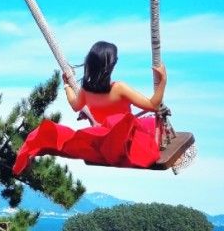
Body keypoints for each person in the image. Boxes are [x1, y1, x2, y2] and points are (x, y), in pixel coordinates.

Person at [13, 41, 167, 174]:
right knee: (151, 122)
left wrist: (66, 85)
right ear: (112, 65)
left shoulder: (86, 90)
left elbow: (75, 105)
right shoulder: (119, 88)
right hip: (125, 142)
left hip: (101, 142)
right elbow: (153, 105)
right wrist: (163, 81)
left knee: (59, 139)